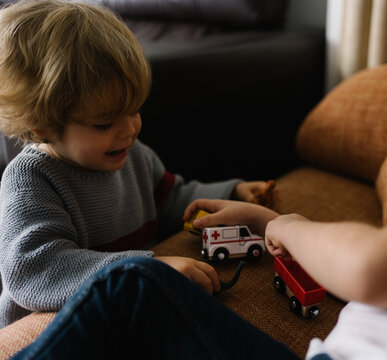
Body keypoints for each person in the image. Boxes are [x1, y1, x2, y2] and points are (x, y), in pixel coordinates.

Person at [12, 36, 387, 358]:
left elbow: (374, 269)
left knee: (133, 285)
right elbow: (373, 274)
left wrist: (285, 227)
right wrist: (270, 218)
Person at [0, 0, 270, 329]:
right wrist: (149, 268)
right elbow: (36, 270)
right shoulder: (32, 179)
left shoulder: (132, 154)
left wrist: (233, 192)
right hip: (53, 337)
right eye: (104, 123)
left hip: (127, 305)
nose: (129, 130)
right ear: (41, 125)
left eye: (134, 110)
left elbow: (172, 198)